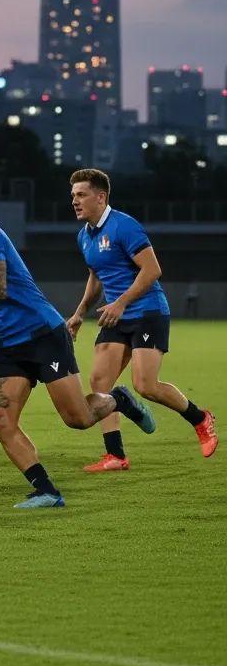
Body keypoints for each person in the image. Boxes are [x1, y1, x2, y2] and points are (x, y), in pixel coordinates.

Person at [0, 174, 156, 509]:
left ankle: (119, 399)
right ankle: (46, 490)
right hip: (7, 344)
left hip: (42, 334)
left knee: (79, 418)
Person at [66, 168, 217, 467]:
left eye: (81, 195)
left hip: (147, 311)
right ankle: (116, 455)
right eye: (73, 196)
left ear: (101, 196)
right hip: (116, 315)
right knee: (100, 384)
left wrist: (120, 303)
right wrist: (80, 312)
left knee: (145, 385)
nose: (75, 201)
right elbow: (96, 277)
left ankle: (200, 418)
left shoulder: (124, 226)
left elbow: (152, 270)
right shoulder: (84, 236)